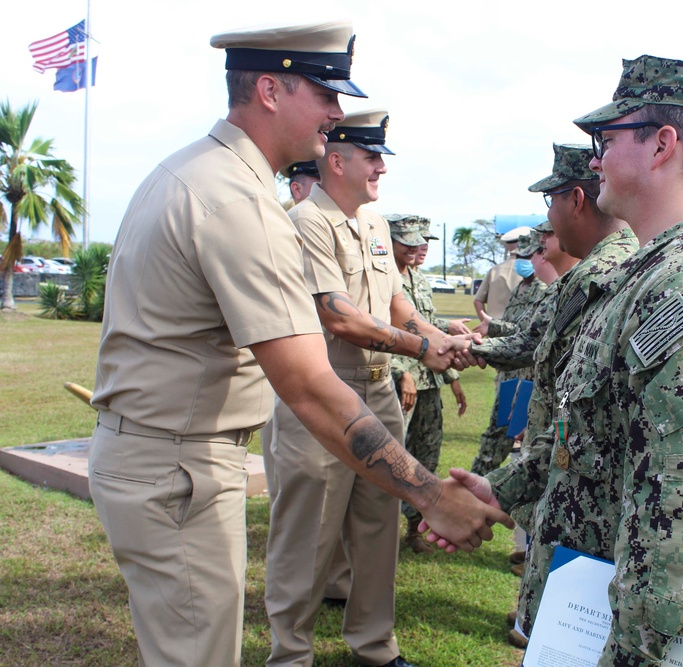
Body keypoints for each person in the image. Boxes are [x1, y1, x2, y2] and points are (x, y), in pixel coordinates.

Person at [87, 22, 508, 667]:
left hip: (168, 458)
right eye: (325, 92)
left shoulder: (197, 171)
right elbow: (309, 382)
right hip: (177, 469)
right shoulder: (236, 201)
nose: (337, 113)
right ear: (268, 90)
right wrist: (430, 494)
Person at [434, 55, 683, 665]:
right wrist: (499, 489)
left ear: (661, 145)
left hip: (637, 641)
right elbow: (591, 440)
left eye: (606, 140)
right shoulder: (646, 276)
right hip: (592, 607)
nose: (594, 161)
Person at [264, 110, 480, 667]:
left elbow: (395, 303)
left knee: (378, 526)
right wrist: (419, 349)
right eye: (371, 157)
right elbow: (336, 315)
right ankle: (290, 655)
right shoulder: (306, 221)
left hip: (380, 395)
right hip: (325, 398)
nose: (381, 167)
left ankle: (375, 647)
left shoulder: (374, 224)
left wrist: (439, 337)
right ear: (336, 161)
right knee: (309, 534)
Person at [470, 142, 638, 649]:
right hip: (563, 477)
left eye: (550, 203)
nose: (548, 222)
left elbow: (588, 420)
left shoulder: (604, 277)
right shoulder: (592, 273)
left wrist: (499, 487)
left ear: (576, 201)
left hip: (584, 505)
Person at [387, 213, 469, 553]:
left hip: (429, 381)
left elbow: (425, 324)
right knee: (392, 457)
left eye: (421, 241)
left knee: (426, 455)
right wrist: (402, 371)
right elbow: (379, 329)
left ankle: (413, 527)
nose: (416, 247)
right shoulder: (383, 280)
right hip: (397, 384)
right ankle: (379, 530)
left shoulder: (419, 280)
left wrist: (452, 378)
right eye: (407, 241)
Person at [469, 233, 548, 477]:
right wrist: (493, 327)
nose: (522, 262)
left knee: (523, 438)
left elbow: (530, 335)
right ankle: (477, 481)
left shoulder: (543, 290)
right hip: (509, 376)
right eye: (519, 257)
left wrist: (493, 328)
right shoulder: (520, 288)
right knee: (498, 431)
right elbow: (516, 327)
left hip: (528, 379)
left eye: (528, 256)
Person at [473, 227, 528, 322]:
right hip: (521, 329)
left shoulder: (494, 270)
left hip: (495, 327)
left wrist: (486, 324)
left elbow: (478, 301)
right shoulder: (532, 270)